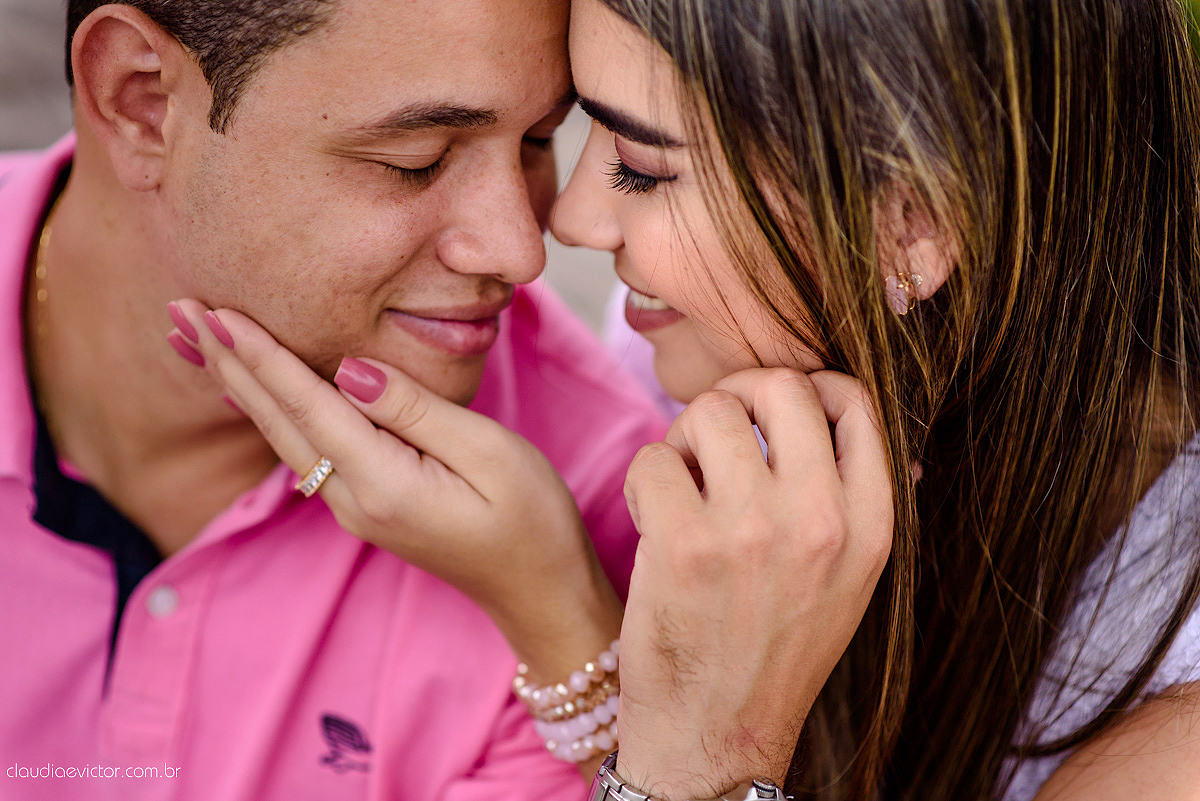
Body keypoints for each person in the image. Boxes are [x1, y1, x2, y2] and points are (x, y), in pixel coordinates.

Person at [170, 0, 1200, 799]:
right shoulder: (697, 355)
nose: (563, 225)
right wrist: (557, 602)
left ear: (916, 222)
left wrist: (707, 749)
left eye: (644, 168)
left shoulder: (1173, 735)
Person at [0, 0, 668, 798]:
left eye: (536, 140)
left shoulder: (603, 497)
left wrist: (571, 631)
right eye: (414, 159)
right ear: (141, 100)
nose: (521, 249)